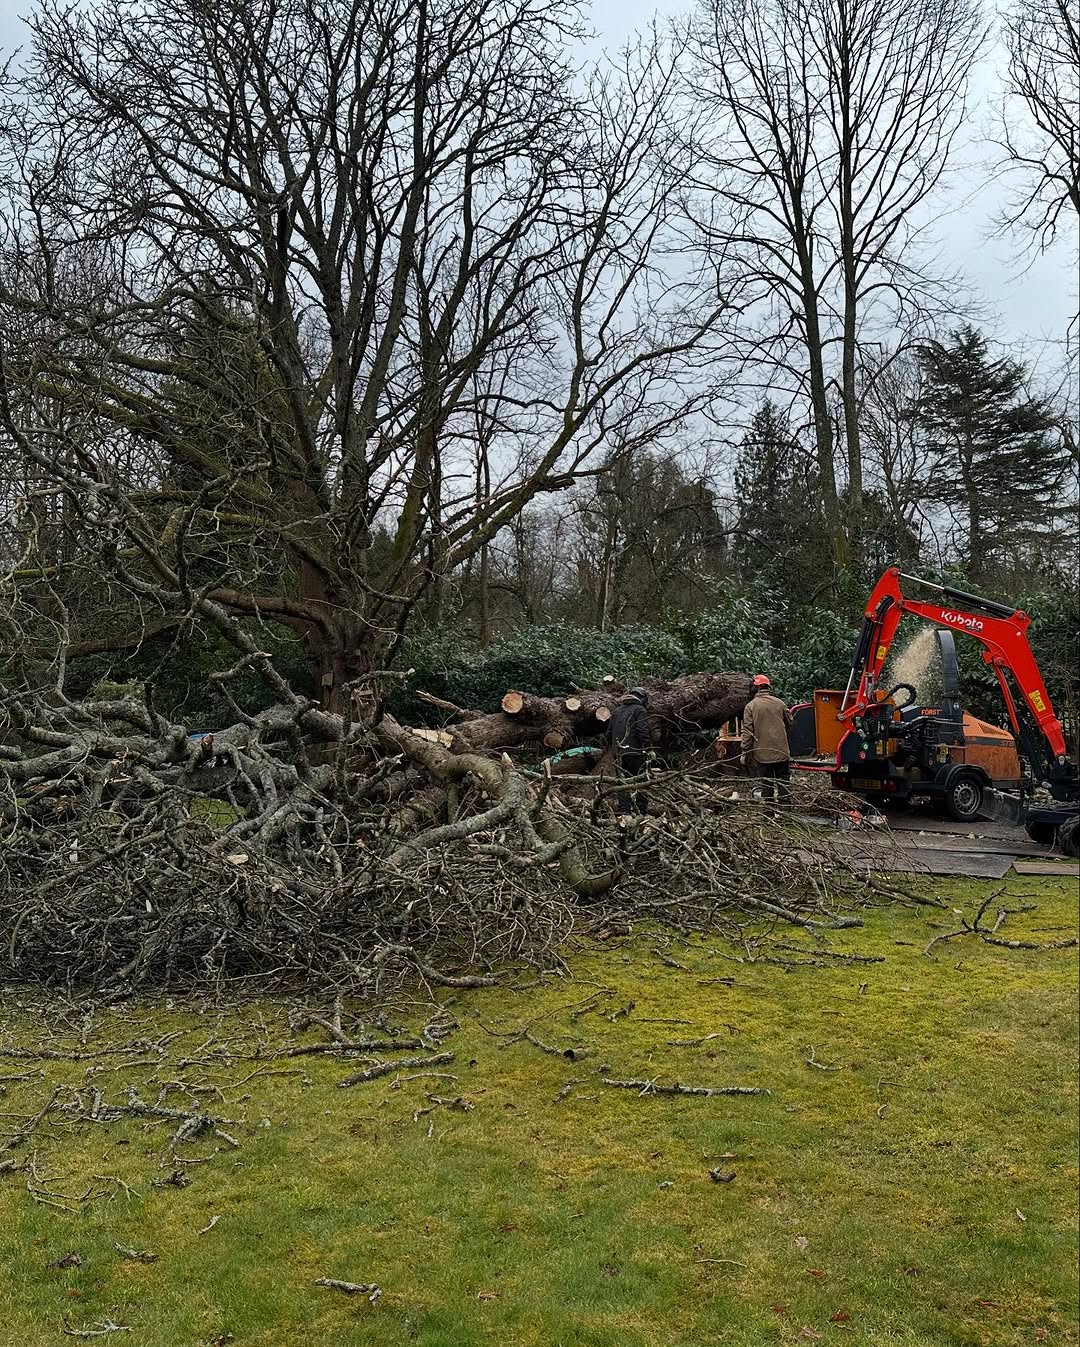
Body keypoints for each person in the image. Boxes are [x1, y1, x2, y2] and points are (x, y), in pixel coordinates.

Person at [741, 674, 793, 804]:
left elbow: (748, 731)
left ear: (755, 688)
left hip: (762, 753)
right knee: (783, 781)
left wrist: (744, 750)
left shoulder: (750, 706)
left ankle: (769, 809)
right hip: (781, 751)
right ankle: (785, 808)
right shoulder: (780, 703)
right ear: (768, 687)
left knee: (766, 782)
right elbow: (790, 722)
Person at [608, 686, 651, 815]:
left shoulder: (616, 711)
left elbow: (608, 733)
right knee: (642, 781)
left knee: (623, 782)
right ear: (643, 699)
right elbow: (642, 731)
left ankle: (624, 811)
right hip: (636, 753)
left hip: (619, 754)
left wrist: (615, 749)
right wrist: (648, 749)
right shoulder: (640, 710)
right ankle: (641, 811)